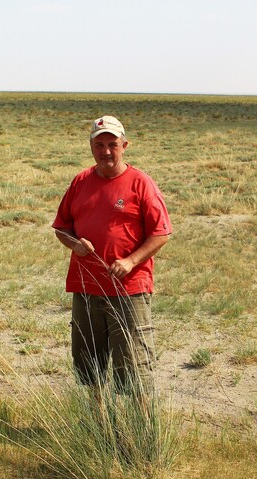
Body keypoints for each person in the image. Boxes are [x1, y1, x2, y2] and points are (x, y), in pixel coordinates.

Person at [52, 115, 172, 395]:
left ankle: (139, 431)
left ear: (125, 145)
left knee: (133, 366)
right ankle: (98, 428)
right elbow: (61, 227)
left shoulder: (141, 183)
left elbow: (162, 232)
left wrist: (131, 261)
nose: (106, 151)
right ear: (91, 147)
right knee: (89, 363)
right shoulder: (81, 181)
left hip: (129, 290)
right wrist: (74, 244)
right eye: (99, 144)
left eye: (112, 144)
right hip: (86, 287)